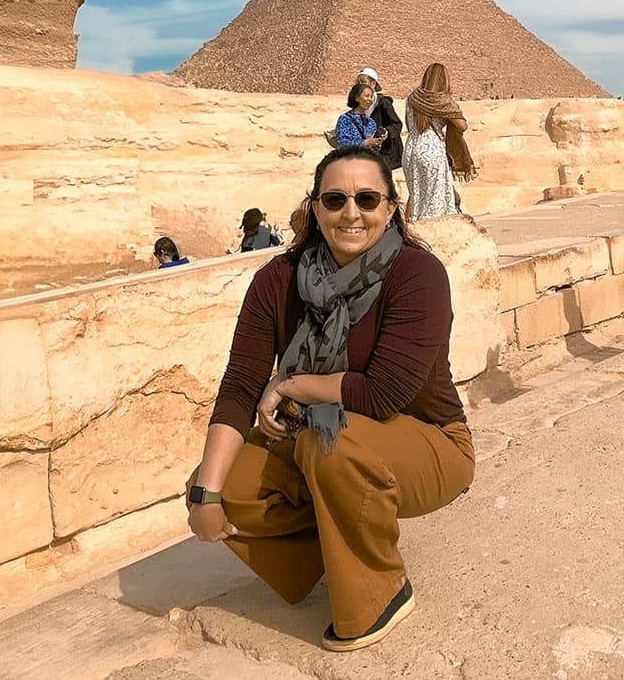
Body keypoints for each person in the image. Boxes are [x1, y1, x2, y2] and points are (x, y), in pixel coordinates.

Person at [185, 145, 474, 652]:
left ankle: (380, 590)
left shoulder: (417, 274)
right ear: (314, 207)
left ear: (391, 207)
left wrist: (290, 385)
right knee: (224, 479)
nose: (351, 213)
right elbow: (239, 385)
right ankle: (334, 548)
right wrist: (205, 494)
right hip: (321, 439)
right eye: (335, 199)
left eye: (366, 198)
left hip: (430, 441)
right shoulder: (277, 280)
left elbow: (385, 392)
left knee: (329, 441)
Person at [402, 63, 476, 222]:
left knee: (416, 198)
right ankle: (430, 239)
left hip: (410, 150)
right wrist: (452, 112)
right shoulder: (442, 101)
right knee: (434, 201)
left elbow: (409, 125)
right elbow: (463, 126)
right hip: (432, 150)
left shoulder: (412, 98)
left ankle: (410, 235)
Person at [359, 68, 404, 172]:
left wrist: (386, 132)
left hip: (385, 152)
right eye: (359, 82)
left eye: (363, 82)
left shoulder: (384, 103)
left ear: (373, 84)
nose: (360, 85)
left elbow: (397, 124)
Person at [332, 83, 385, 150]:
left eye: (371, 97)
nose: (370, 99)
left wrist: (378, 141)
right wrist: (365, 143)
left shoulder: (371, 122)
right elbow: (342, 144)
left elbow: (375, 150)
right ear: (357, 98)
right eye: (367, 96)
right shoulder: (345, 119)